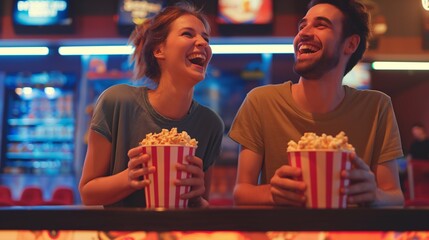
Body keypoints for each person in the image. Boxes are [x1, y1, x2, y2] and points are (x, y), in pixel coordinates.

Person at [229, 0, 404, 207]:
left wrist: (375, 195)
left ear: (350, 44)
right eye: (302, 26)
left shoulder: (377, 107)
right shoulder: (261, 102)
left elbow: (395, 196)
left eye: (321, 25)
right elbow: (241, 193)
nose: (303, 33)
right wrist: (273, 193)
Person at [79, 3, 224, 208]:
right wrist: (129, 178)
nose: (202, 42)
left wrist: (198, 198)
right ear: (159, 49)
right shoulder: (117, 102)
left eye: (206, 38)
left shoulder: (210, 125)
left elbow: (202, 205)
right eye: (188, 34)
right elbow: (88, 193)